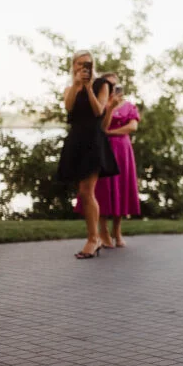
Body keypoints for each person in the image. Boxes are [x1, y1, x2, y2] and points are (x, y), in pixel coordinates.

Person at [57, 51, 119, 259]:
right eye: (80, 63)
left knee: (86, 190)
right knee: (84, 192)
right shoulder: (69, 88)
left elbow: (98, 111)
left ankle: (93, 239)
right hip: (76, 140)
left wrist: (89, 88)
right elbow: (69, 108)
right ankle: (95, 237)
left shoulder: (102, 84)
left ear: (93, 66)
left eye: (88, 64)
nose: (84, 67)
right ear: (73, 65)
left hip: (93, 141)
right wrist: (77, 86)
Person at [76, 73, 141, 248]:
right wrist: (110, 109)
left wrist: (111, 133)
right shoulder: (100, 105)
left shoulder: (129, 106)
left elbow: (132, 126)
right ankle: (103, 231)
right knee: (102, 189)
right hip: (102, 148)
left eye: (115, 85)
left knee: (121, 188)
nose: (113, 89)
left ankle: (117, 231)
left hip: (122, 150)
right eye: (109, 85)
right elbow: (100, 125)